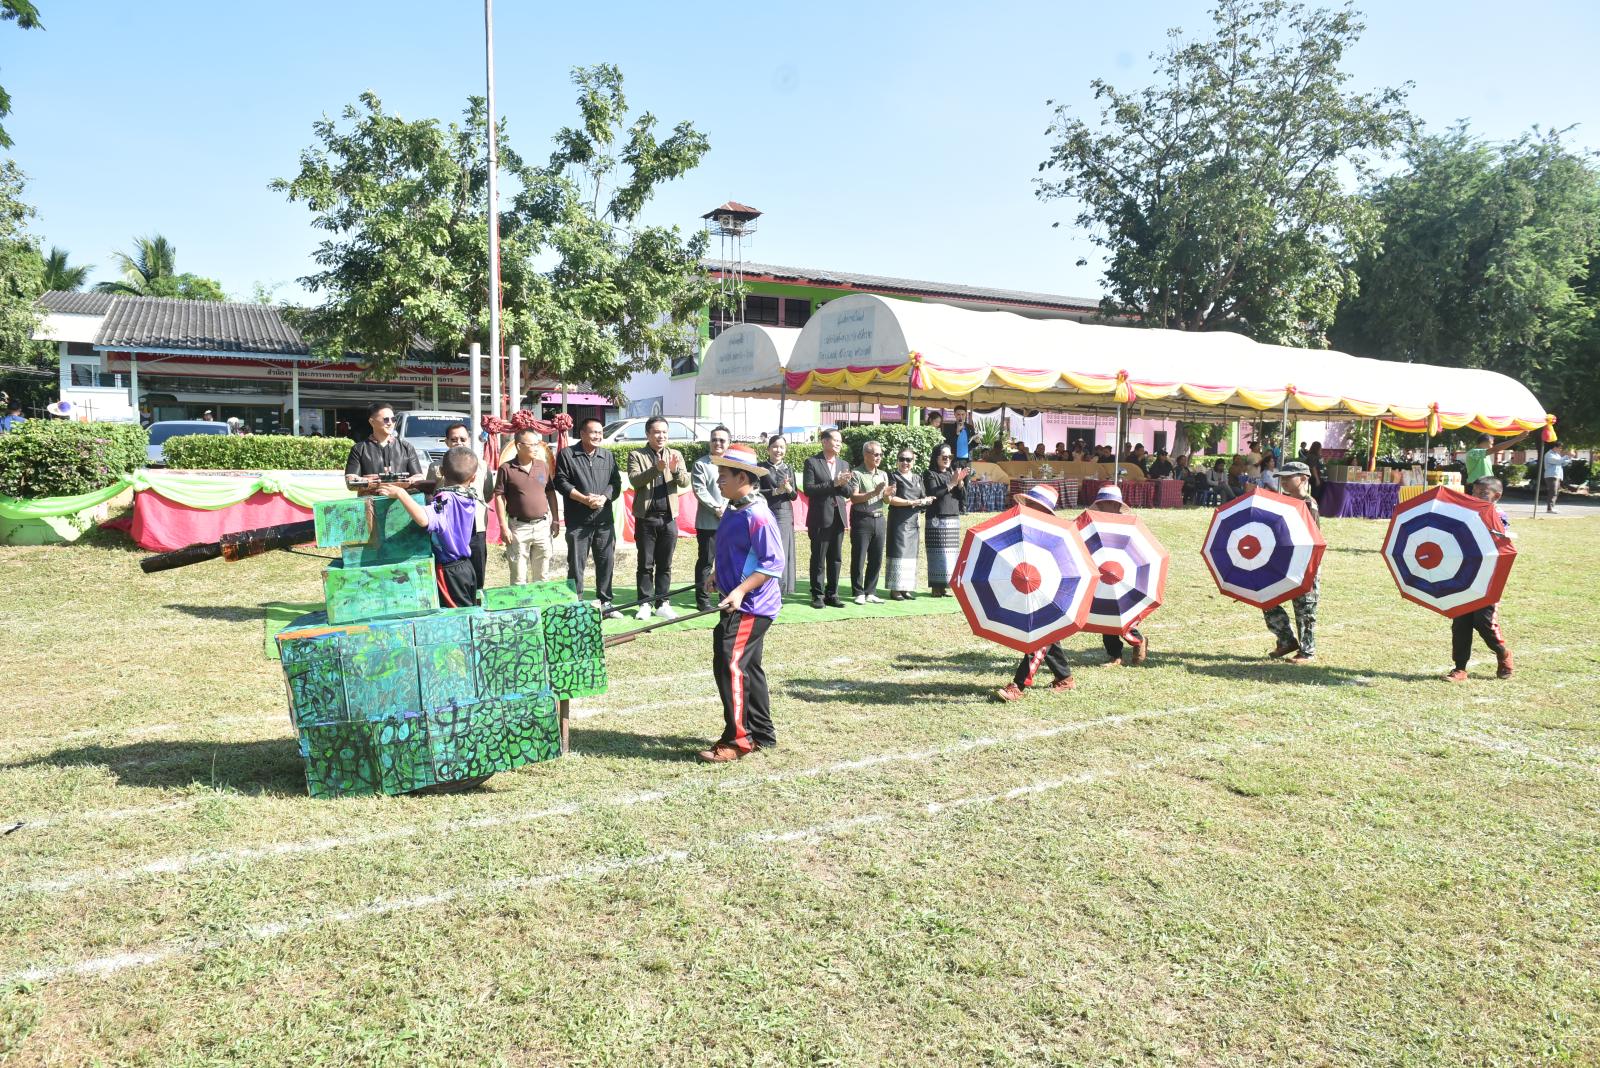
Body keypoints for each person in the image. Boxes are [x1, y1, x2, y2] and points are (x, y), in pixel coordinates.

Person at [697, 443, 785, 763]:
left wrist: (739, 591)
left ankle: (738, 740)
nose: (718, 480)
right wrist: (717, 573)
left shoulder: (758, 514)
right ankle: (762, 733)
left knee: (729, 662)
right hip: (736, 599)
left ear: (742, 478)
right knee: (747, 665)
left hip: (751, 606)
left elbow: (773, 563)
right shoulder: (734, 507)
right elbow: (733, 549)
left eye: (724, 475)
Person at [996, 484, 1076, 702]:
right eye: (1029, 503)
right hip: (1031, 587)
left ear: (1045, 510)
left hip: (1053, 590)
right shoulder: (1025, 528)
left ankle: (1018, 685)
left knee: (1040, 636)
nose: (1029, 507)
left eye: (1034, 504)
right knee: (1049, 634)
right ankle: (1065, 677)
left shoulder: (1055, 534)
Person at [377, 446, 483, 609]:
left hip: (449, 571)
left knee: (457, 616)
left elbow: (423, 519)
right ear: (473, 477)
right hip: (465, 567)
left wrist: (401, 493)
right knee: (465, 611)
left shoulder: (445, 499)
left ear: (441, 471)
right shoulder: (468, 495)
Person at [1443, 476, 1516, 681]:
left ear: (1496, 496)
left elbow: (1499, 539)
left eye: (1483, 494)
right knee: (1461, 622)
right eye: (1474, 492)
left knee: (1483, 622)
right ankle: (1460, 668)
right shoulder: (1465, 512)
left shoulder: (1498, 515)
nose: (1476, 497)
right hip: (1463, 574)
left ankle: (1503, 653)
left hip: (1488, 576)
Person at [554, 416, 623, 617]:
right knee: (576, 565)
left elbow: (616, 483)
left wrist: (604, 497)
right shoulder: (567, 454)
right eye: (593, 432)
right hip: (578, 522)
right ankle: (576, 605)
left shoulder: (607, 456)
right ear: (582, 434)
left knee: (606, 563)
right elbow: (561, 482)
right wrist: (584, 499)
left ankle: (606, 603)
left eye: (600, 432)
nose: (598, 436)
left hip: (604, 521)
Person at [626, 416, 691, 620]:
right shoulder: (636, 455)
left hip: (669, 518)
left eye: (664, 432)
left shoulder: (676, 454)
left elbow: (685, 481)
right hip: (646, 518)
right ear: (648, 434)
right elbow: (635, 480)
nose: (661, 436)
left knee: (665, 563)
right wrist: (657, 469)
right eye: (656, 432)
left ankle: (663, 602)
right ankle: (644, 603)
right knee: (645, 563)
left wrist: (674, 470)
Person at [1085, 485, 1149, 666]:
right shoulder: (1094, 524)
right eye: (1101, 504)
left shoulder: (1128, 526)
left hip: (1124, 573)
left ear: (1116, 505)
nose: (1104, 507)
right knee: (1105, 613)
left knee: (1122, 613)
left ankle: (1138, 640)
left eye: (1107, 503)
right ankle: (1115, 655)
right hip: (1101, 572)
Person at [1263, 461, 1319, 663]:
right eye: (1282, 478)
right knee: (1267, 598)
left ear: (1303, 478)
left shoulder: (1309, 504)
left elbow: (1310, 538)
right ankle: (1286, 641)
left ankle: (1307, 651)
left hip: (1303, 562)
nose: (1284, 481)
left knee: (1304, 608)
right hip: (1279, 560)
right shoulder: (1282, 502)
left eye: (1288, 477)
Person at [428, 423, 495, 591]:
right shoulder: (436, 467)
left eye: (463, 439)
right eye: (454, 439)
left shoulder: (481, 465)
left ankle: (477, 600)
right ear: (446, 442)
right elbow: (429, 494)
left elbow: (488, 493)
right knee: (452, 575)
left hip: (476, 528)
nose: (459, 442)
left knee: (478, 573)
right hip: (450, 530)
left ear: (469, 440)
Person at [495, 426, 561, 587]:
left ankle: (540, 602)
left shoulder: (542, 466)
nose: (537, 448)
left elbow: (550, 492)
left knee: (542, 576)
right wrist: (503, 526)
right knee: (518, 577)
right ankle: (521, 603)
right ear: (519, 446)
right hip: (518, 527)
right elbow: (499, 496)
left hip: (542, 526)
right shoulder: (506, 469)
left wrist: (555, 520)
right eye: (532, 445)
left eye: (538, 444)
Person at [803, 428, 852, 608]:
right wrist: (834, 483)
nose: (839, 444)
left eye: (840, 441)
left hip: (838, 516)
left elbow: (848, 492)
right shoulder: (812, 462)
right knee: (818, 557)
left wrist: (843, 484)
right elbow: (809, 489)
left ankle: (833, 593)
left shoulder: (843, 463)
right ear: (824, 441)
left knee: (835, 557)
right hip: (820, 517)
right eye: (835, 440)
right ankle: (817, 594)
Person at [691, 426, 732, 610]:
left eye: (722, 440)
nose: (718, 443)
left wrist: (725, 507)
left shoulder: (733, 464)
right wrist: (716, 508)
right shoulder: (701, 464)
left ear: (728, 443)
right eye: (714, 439)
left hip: (730, 520)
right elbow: (700, 490)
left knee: (728, 561)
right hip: (708, 523)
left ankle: (726, 595)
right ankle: (703, 600)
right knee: (706, 562)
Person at [886, 446, 933, 600]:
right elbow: (891, 499)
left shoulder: (918, 478)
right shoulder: (893, 476)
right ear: (897, 461)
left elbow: (922, 497)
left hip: (914, 521)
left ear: (913, 461)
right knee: (898, 552)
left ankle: (906, 588)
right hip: (898, 521)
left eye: (908, 459)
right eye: (902, 459)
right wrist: (912, 502)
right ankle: (895, 589)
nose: (905, 462)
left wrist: (926, 500)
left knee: (911, 554)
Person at [344, 402, 426, 487]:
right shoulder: (359, 449)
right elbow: (351, 481)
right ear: (372, 422)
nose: (390, 423)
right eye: (386, 419)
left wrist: (401, 482)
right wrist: (375, 481)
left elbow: (419, 478)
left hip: (400, 495)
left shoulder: (407, 447)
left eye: (393, 419)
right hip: (371, 495)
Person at [849, 440, 892, 604]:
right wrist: (874, 492)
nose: (879, 457)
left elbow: (886, 501)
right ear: (866, 455)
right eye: (876, 454)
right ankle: (858, 591)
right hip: (862, 519)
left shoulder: (883, 474)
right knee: (859, 556)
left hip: (879, 518)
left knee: (876, 557)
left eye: (880, 454)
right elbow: (854, 498)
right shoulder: (856, 473)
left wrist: (887, 494)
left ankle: (871, 591)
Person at [758, 434, 799, 595]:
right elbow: (755, 491)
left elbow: (794, 496)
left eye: (782, 447)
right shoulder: (761, 468)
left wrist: (788, 489)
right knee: (765, 550)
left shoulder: (788, 468)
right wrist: (776, 491)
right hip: (764, 512)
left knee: (781, 552)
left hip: (784, 514)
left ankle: (779, 591)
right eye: (775, 446)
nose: (778, 450)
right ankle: (762, 588)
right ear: (768, 449)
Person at [924, 443, 967, 596]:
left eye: (950, 456)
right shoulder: (930, 474)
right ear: (936, 458)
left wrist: (960, 484)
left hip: (952, 517)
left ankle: (947, 585)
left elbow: (963, 498)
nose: (947, 459)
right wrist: (952, 483)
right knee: (938, 554)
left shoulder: (952, 474)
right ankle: (936, 586)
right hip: (937, 518)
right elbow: (934, 493)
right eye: (944, 456)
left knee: (951, 554)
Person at [1542, 442, 1571, 513]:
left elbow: (1563, 463)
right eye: (1560, 448)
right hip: (1551, 475)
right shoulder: (1549, 454)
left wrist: (1569, 458)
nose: (1560, 450)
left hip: (1558, 475)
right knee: (1553, 491)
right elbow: (1557, 461)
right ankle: (1549, 509)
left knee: (1556, 492)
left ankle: (1552, 507)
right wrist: (1567, 456)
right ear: (1555, 447)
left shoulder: (1557, 455)